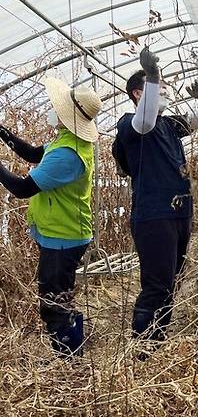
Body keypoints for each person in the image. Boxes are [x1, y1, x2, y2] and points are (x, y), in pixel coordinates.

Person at [112, 47, 198, 344]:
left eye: (164, 85)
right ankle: (142, 349)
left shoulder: (169, 125)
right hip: (154, 216)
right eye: (158, 87)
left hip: (179, 214)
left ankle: (157, 340)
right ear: (138, 94)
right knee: (157, 285)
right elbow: (145, 122)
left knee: (173, 281)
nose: (166, 90)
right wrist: (153, 76)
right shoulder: (130, 124)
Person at [0, 79, 103, 356]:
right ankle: (74, 351)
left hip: (63, 237)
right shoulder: (69, 140)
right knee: (62, 295)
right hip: (64, 232)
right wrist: (3, 132)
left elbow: (22, 188)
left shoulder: (69, 155)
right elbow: (34, 153)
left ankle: (68, 360)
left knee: (53, 304)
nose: (53, 110)